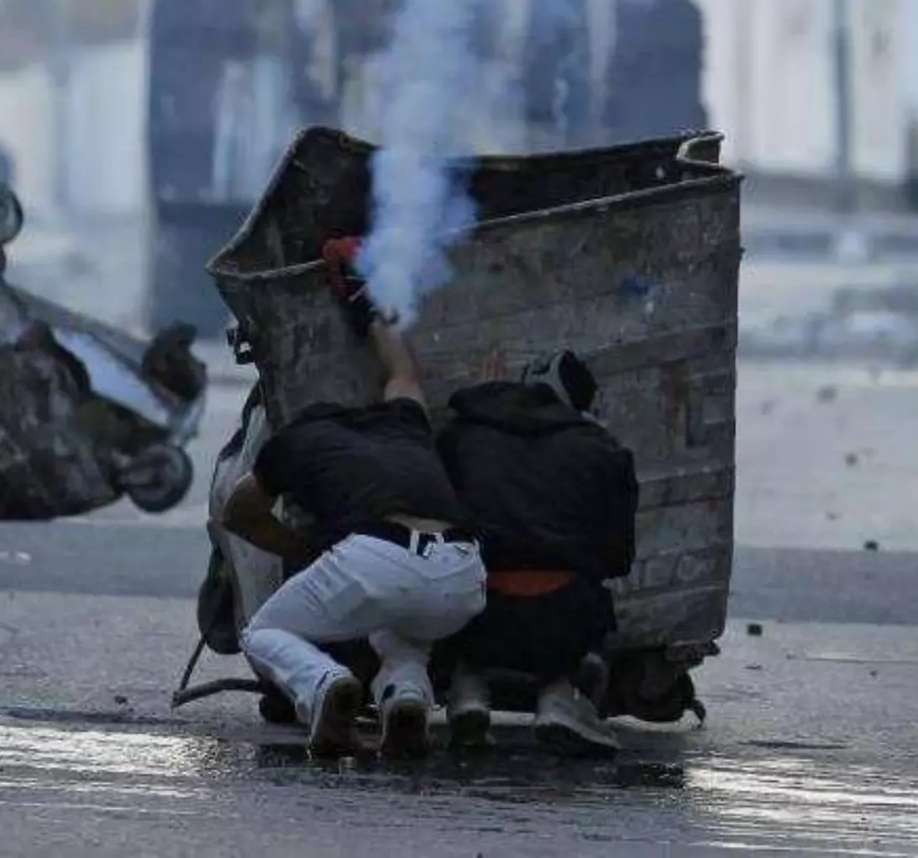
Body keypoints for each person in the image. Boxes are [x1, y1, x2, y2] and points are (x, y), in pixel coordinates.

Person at [222, 237, 486, 759]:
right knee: (402, 628)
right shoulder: (404, 423)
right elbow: (402, 371)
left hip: (379, 558)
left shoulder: (298, 441)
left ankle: (326, 685)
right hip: (462, 572)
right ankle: (405, 697)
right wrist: (371, 301)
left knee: (265, 631)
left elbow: (238, 512)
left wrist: (303, 549)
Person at [437, 349, 640, 758]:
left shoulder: (461, 435)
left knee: (451, 575)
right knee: (589, 600)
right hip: (560, 620)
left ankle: (467, 691)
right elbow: (618, 558)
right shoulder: (602, 450)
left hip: (472, 615)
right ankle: (559, 698)